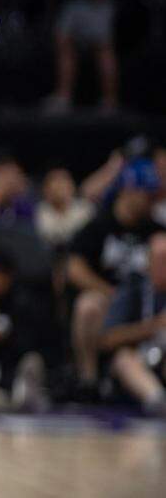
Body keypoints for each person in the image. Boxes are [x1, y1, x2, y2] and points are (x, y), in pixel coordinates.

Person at [65, 158, 163, 400]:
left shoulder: (155, 230)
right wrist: (111, 293)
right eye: (146, 194)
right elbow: (74, 268)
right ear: (128, 189)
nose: (151, 201)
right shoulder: (100, 224)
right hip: (111, 302)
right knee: (88, 305)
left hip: (145, 303)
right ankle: (89, 380)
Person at [100, 232, 166, 416]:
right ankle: (157, 400)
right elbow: (107, 339)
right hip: (139, 361)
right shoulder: (133, 288)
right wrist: (153, 327)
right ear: (148, 262)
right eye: (161, 260)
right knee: (124, 358)